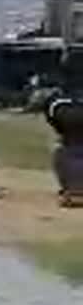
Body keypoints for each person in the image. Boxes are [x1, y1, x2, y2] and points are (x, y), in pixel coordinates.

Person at [50, 52, 82, 207]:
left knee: (61, 148)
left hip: (69, 146)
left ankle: (75, 189)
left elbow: (55, 121)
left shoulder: (58, 100)